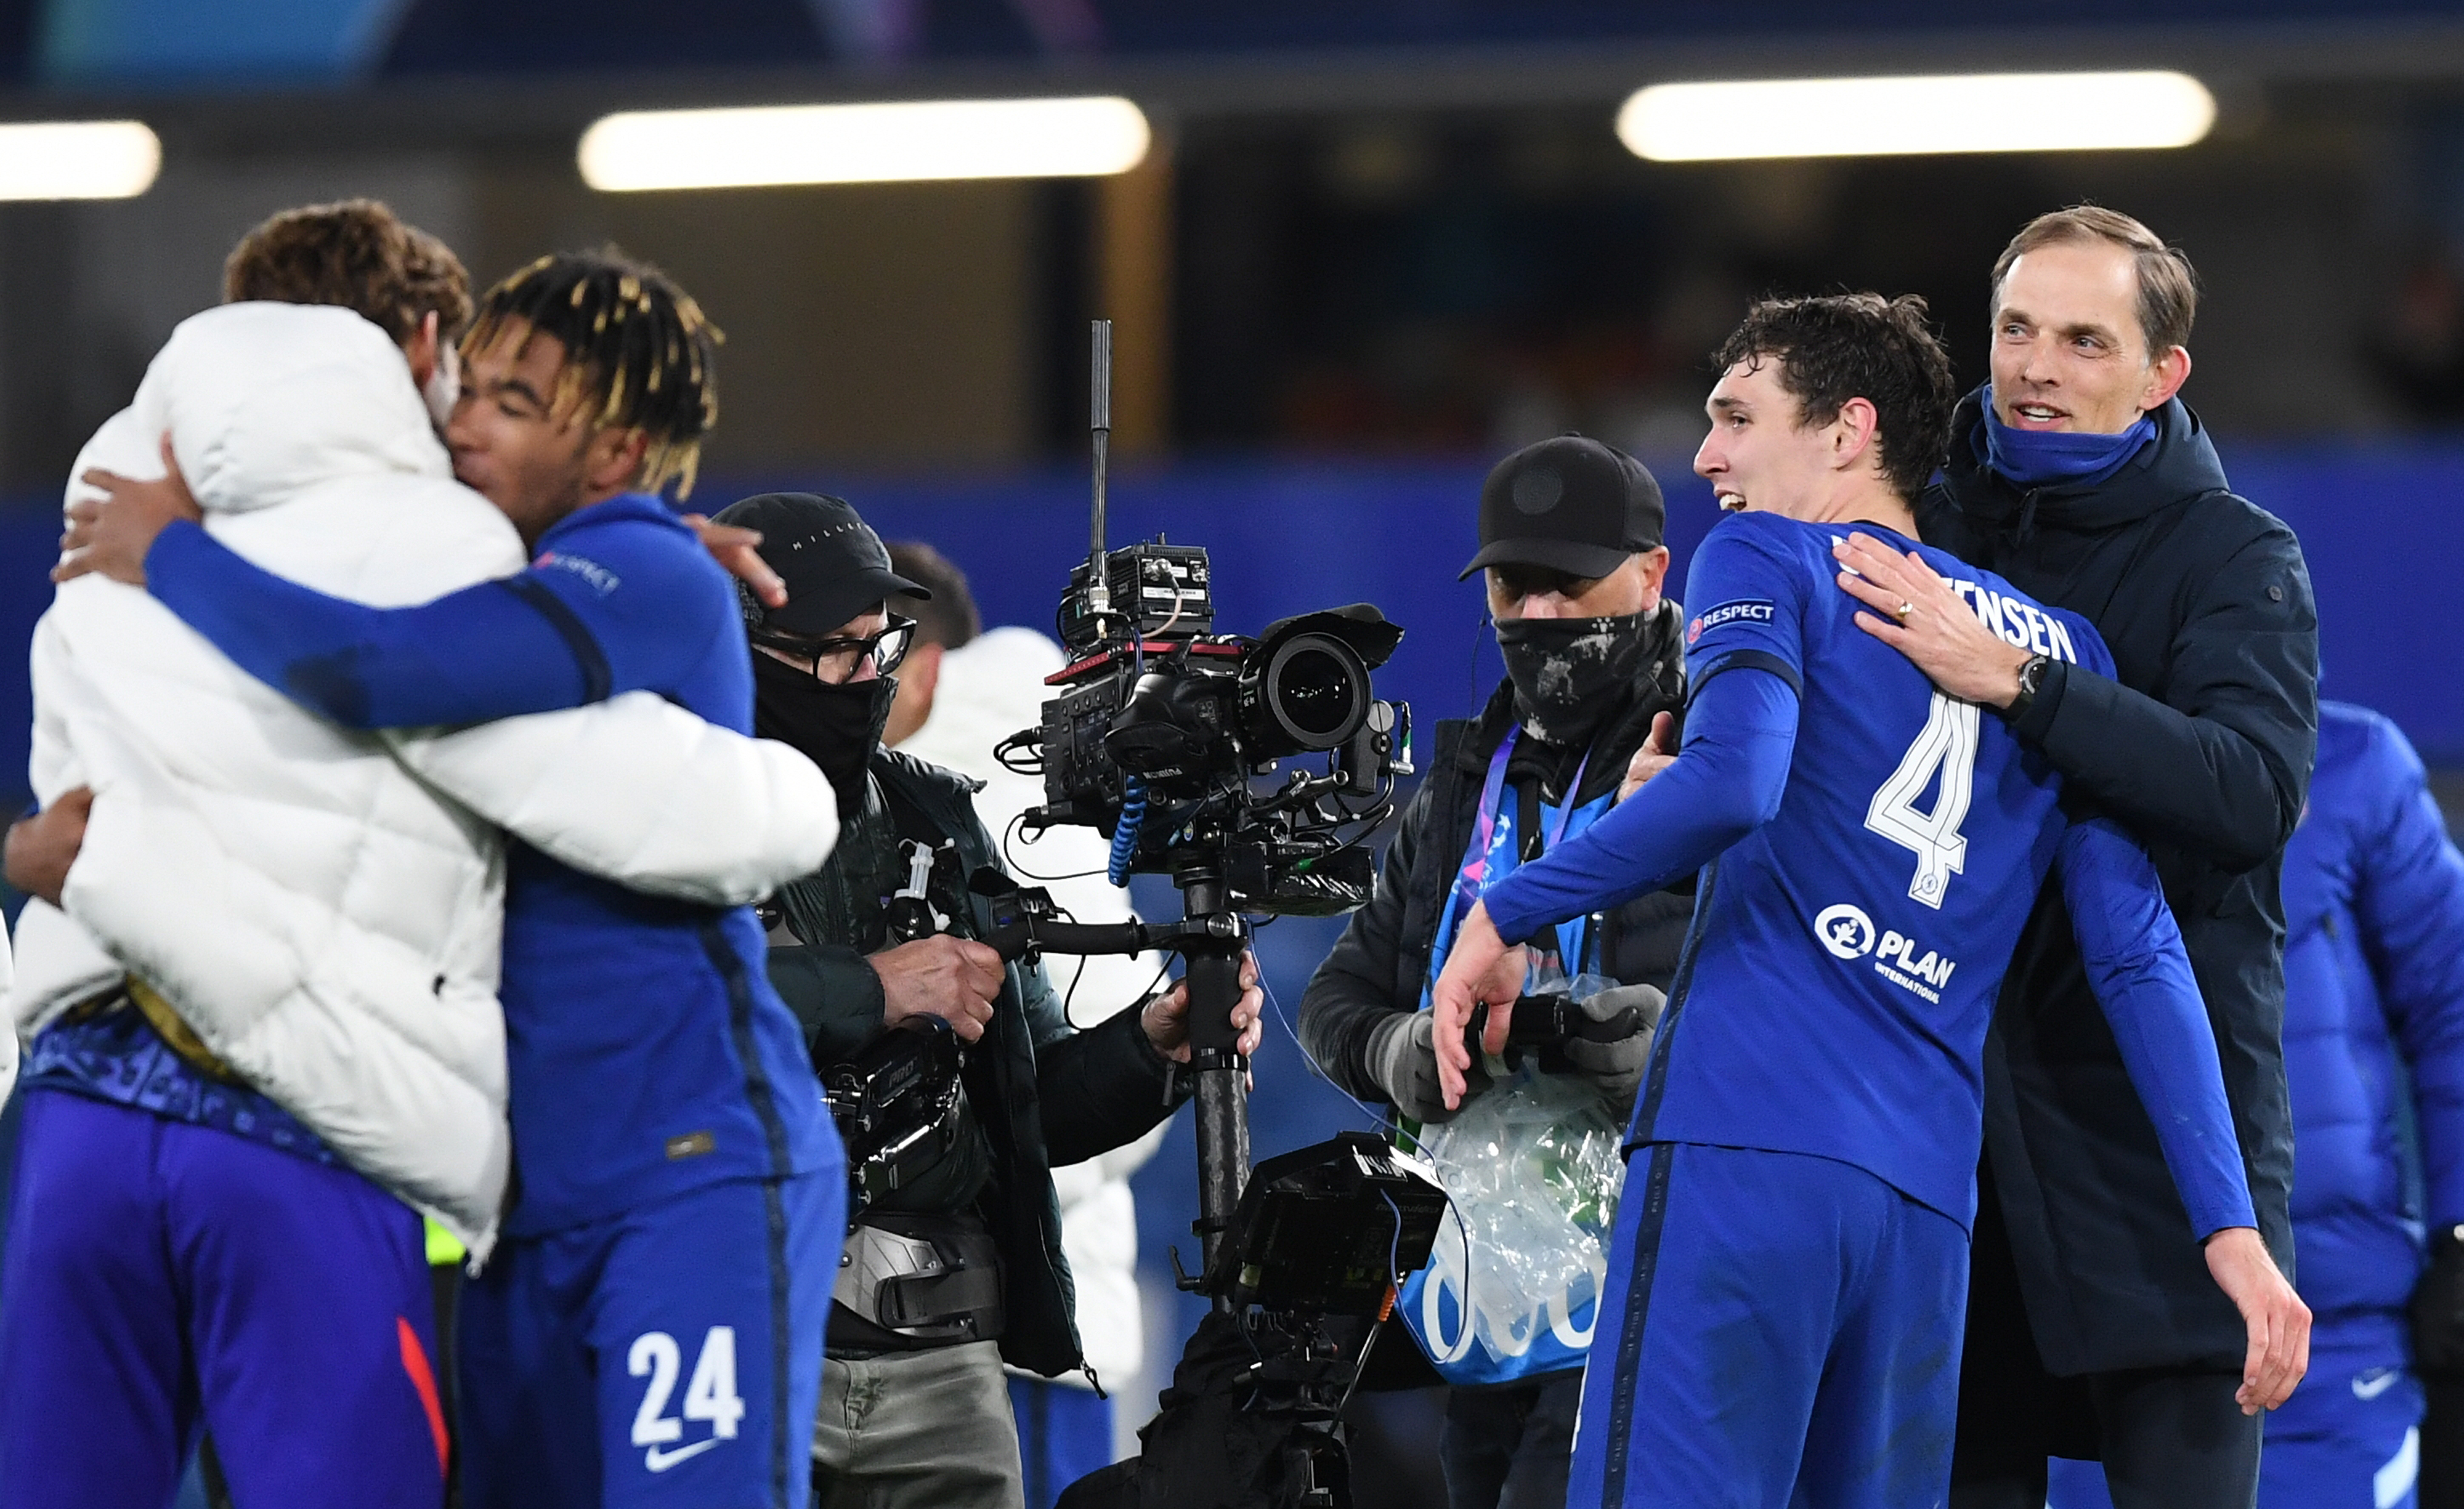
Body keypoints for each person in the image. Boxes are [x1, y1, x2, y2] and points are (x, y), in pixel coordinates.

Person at [2, 207, 839, 1509]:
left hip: (686, 1168)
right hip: (492, 1194)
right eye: (472, 387)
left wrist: (170, 551)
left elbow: (383, 670)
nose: (463, 423)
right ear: (421, 348)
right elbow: (420, 650)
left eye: (513, 401)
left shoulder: (121, 527)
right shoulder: (479, 556)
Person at [1431, 291, 2304, 1508]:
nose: (1706, 456)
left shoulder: (1766, 554)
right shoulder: (2056, 647)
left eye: (1735, 417)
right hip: (1920, 1208)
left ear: (1843, 433)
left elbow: (1735, 782)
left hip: (1744, 1143)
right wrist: (2230, 1230)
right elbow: (2136, 957)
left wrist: (1502, 911)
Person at [1826, 206, 2319, 1508]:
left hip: (2155, 1148)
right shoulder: (1921, 523)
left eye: (2083, 340)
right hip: (1950, 1146)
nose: (2036, 366)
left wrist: (2022, 683)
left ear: (2161, 376)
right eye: (2015, 330)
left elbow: (2247, 795)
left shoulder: (2235, 557)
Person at [713, 492, 1262, 1509]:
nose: (864, 680)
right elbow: (659, 1011)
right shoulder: (665, 817)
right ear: (739, 652)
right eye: (832, 653)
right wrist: (871, 989)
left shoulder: (938, 814)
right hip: (739, 1339)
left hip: (946, 1365)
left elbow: (1035, 1101)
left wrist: (1153, 1049)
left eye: (878, 648)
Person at [1292, 433, 1685, 1509]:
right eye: (1517, 585)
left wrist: (1643, 1039)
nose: (1544, 614)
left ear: (1653, 576)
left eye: (1573, 582)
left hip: (1664, 1276)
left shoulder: (1713, 761)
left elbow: (1790, 1001)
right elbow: (1333, 1001)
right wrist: (1402, 1050)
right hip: (1492, 1292)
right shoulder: (1463, 782)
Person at [2049, 700, 2464, 1509]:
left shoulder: (2355, 766)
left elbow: (2455, 1003)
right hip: (2106, 1327)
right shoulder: (2049, 752)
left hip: (2331, 1338)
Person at [880, 540, 1167, 1506]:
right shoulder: (1053, 789)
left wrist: (967, 1173)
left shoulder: (991, 800)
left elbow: (1087, 1061)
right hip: (1040, 1318)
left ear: (925, 663)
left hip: (981, 1324)